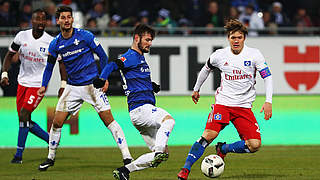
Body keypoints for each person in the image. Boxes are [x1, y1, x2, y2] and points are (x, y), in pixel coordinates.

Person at [37, 6, 132, 171]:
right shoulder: (55, 44)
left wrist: (103, 78)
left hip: (92, 85)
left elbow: (102, 56)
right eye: (63, 18)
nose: (66, 20)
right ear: (57, 21)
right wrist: (44, 85)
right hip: (72, 87)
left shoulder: (85, 36)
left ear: (72, 19)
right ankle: (50, 158)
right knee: (57, 122)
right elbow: (49, 67)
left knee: (109, 121)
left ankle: (127, 156)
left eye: (69, 17)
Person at [177, 19, 273, 180]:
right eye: (233, 37)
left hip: (243, 107)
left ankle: (224, 148)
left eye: (239, 37)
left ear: (244, 38)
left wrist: (268, 101)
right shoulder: (219, 55)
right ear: (228, 38)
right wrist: (196, 89)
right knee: (209, 134)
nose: (236, 41)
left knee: (254, 145)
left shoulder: (254, 54)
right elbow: (205, 69)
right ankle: (185, 169)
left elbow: (267, 77)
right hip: (223, 103)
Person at [93, 24, 175, 180]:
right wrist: (102, 78)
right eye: (147, 40)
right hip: (141, 109)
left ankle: (125, 171)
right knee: (169, 121)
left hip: (140, 113)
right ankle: (157, 151)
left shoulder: (139, 58)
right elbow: (112, 65)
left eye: (151, 40)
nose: (150, 43)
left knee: (163, 155)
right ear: (137, 38)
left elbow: (134, 79)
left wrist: (151, 86)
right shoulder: (131, 55)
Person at [0, 9, 53, 164]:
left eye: (44, 19)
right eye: (38, 19)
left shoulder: (50, 41)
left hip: (38, 85)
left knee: (24, 114)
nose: (41, 22)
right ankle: (51, 141)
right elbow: (10, 55)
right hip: (22, 83)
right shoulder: (21, 36)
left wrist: (63, 83)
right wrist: (4, 73)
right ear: (32, 20)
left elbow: (60, 63)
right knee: (24, 121)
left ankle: (18, 155)